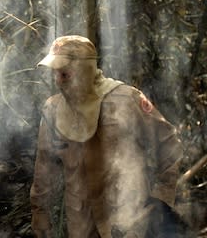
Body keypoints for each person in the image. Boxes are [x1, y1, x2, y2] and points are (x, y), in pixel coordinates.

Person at [30, 35, 184, 238]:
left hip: (129, 220)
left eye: (64, 74)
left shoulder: (127, 99)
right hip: (80, 223)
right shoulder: (52, 109)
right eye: (55, 74)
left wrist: (162, 196)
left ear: (83, 71)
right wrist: (39, 213)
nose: (57, 82)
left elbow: (169, 144)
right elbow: (44, 167)